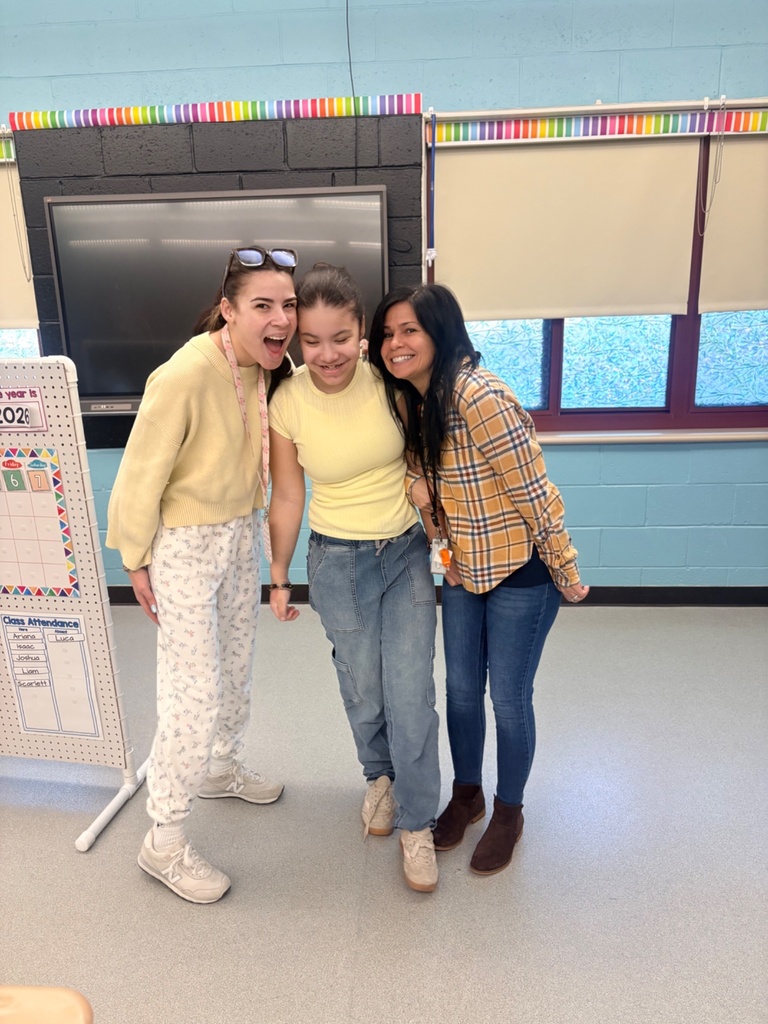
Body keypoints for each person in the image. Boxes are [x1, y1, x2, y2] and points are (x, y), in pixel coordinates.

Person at [368, 283, 589, 877]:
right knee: (461, 691)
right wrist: (434, 529)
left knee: (508, 700)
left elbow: (535, 493)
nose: (395, 343)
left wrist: (566, 569)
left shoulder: (478, 394)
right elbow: (428, 492)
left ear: (440, 333)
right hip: (464, 571)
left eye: (409, 330)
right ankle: (467, 795)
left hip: (522, 571)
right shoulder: (413, 401)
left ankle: (509, 811)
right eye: (387, 334)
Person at [106, 245, 299, 904]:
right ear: (228, 310)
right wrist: (135, 558)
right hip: (185, 545)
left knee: (236, 667)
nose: (281, 319)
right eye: (263, 305)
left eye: (288, 305)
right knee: (193, 693)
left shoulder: (269, 369)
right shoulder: (184, 374)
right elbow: (140, 471)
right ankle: (163, 839)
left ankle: (220, 766)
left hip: (240, 533)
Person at [268, 264, 441, 893]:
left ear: (361, 332)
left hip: (404, 555)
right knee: (363, 690)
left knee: (411, 694)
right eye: (311, 341)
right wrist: (279, 575)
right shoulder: (287, 403)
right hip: (336, 563)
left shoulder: (388, 382)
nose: (327, 355)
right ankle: (380, 779)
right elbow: (289, 495)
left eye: (340, 338)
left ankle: (419, 822)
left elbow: (426, 455)